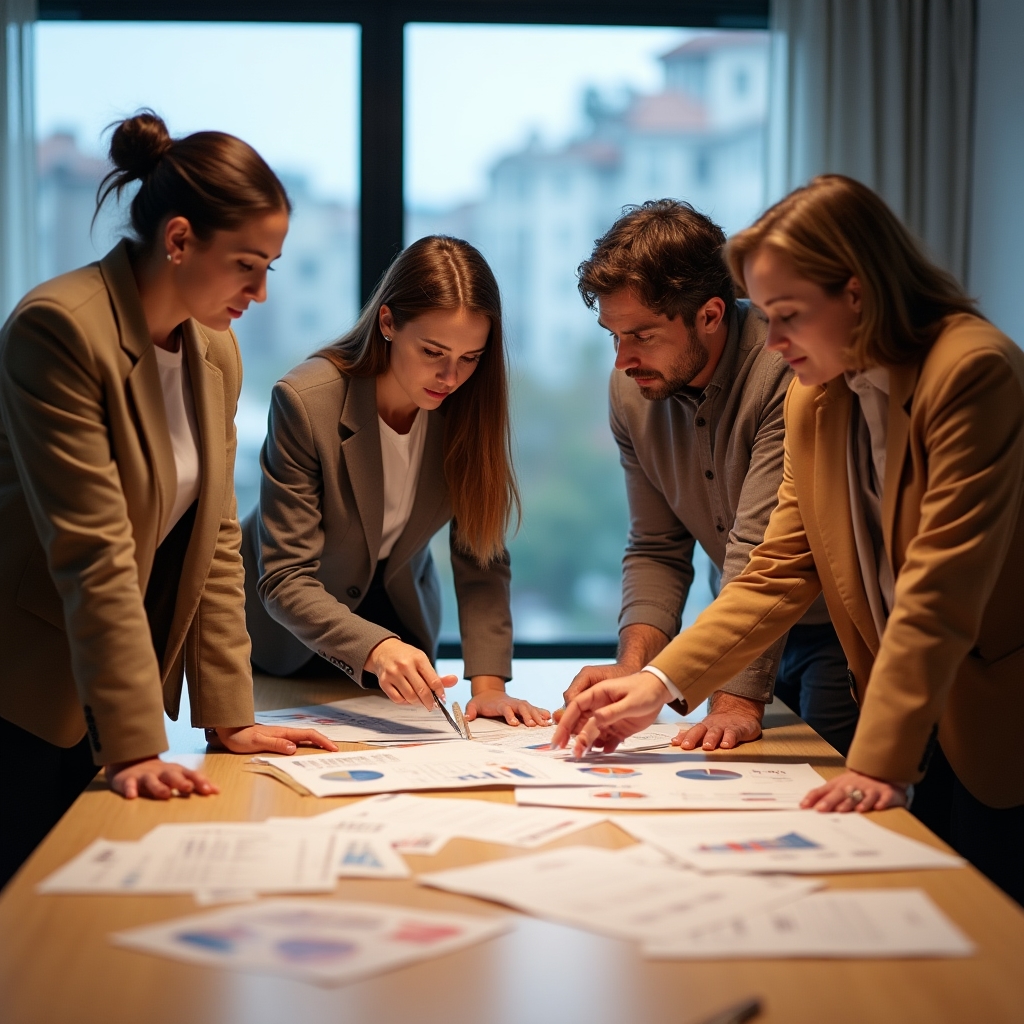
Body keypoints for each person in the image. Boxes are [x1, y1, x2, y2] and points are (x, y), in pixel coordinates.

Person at [554, 175, 1024, 905]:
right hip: (897, 691)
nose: (770, 342)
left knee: (992, 933)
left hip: (997, 706)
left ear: (859, 296)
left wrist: (875, 761)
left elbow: (938, 591)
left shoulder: (971, 370)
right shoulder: (818, 387)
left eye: (788, 316)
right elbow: (776, 568)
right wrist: (658, 684)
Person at [0, 112, 337, 889]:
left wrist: (231, 713)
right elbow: (95, 549)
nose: (258, 291)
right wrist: (136, 743)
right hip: (24, 689)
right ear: (179, 240)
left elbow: (217, 537)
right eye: (246, 265)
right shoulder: (59, 330)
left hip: (111, 681)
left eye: (270, 269)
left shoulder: (212, 346)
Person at [560, 200, 858, 755]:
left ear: (711, 315)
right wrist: (632, 670)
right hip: (732, 631)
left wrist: (734, 701)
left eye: (643, 335)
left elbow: (761, 553)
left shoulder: (788, 367)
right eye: (613, 335)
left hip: (836, 631)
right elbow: (656, 546)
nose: (623, 359)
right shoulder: (632, 387)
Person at [241, 235, 549, 727]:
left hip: (400, 636)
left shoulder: (468, 409)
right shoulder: (305, 402)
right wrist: (377, 648)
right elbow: (284, 576)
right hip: (289, 640)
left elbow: (481, 555)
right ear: (387, 322)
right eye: (433, 351)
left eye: (471, 358)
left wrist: (489, 687)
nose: (451, 376)